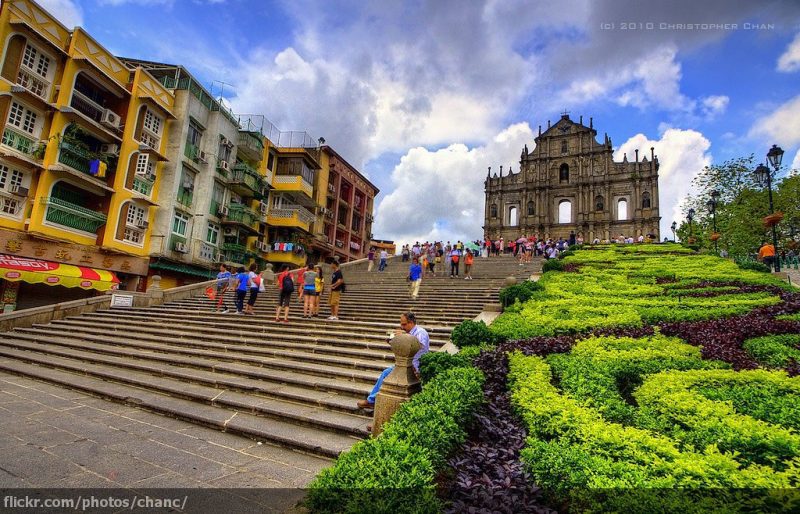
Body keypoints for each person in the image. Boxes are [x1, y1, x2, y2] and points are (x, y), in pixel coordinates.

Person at [357, 312, 430, 412]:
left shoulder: (420, 332)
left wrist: (404, 335)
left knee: (386, 373)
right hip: (405, 365)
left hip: (415, 366)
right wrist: (393, 341)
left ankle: (371, 401)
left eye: (404, 324)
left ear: (411, 322)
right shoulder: (409, 332)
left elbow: (418, 345)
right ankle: (372, 400)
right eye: (401, 324)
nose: (402, 326)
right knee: (386, 373)